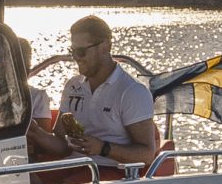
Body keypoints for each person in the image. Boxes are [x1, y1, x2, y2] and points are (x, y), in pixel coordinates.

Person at [32, 13, 160, 172]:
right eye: (73, 51)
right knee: (25, 183)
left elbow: (147, 155)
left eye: (81, 51)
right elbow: (62, 145)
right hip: (72, 165)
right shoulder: (72, 86)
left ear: (106, 46)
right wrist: (35, 132)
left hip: (110, 172)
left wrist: (102, 148)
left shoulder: (132, 92)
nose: (76, 58)